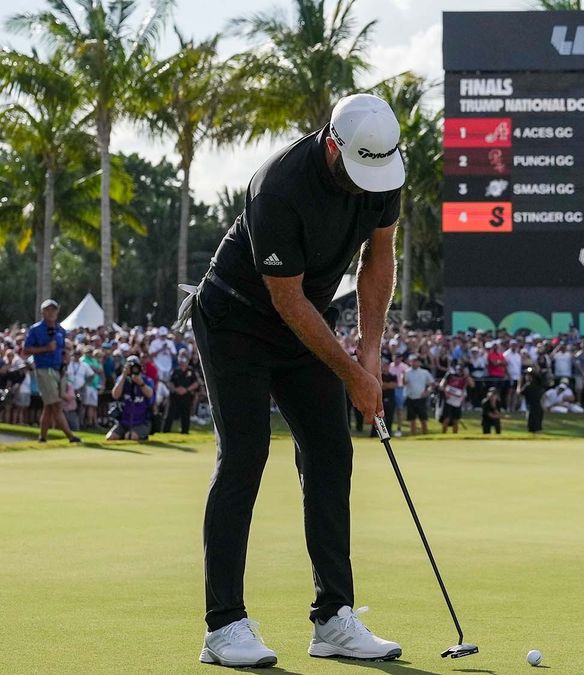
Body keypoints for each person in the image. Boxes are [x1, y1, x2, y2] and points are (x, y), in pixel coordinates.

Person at [185, 94, 406, 667]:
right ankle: (223, 627)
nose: (367, 186)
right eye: (357, 172)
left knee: (331, 454)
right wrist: (351, 373)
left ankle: (333, 619)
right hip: (236, 318)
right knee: (244, 456)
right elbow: (285, 300)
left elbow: (378, 259)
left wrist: (371, 353)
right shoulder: (279, 185)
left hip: (307, 315)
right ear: (332, 145)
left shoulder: (383, 169)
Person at [22, 299, 82, 444]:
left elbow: (60, 348)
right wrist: (45, 349)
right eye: (48, 310)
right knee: (55, 404)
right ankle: (70, 436)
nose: (51, 313)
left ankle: (42, 437)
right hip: (44, 369)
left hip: (59, 369)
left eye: (53, 310)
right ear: (42, 312)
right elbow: (26, 350)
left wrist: (65, 356)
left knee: (49, 405)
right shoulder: (35, 329)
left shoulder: (60, 330)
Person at [107, 355, 155, 441]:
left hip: (141, 421)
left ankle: (142, 435)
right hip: (124, 421)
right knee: (110, 437)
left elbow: (150, 394)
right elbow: (115, 395)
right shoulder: (122, 380)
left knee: (130, 436)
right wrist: (123, 376)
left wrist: (140, 383)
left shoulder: (146, 380)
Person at [164, 354, 200, 434]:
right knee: (170, 414)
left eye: (185, 361)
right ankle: (166, 431)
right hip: (175, 396)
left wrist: (186, 389)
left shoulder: (191, 371)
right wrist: (176, 389)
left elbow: (196, 383)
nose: (183, 363)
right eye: (182, 361)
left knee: (186, 415)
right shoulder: (175, 371)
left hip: (186, 396)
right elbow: (170, 382)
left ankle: (185, 431)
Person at [403, 354, 435, 436]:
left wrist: (427, 392)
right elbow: (404, 383)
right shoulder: (407, 372)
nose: (415, 363)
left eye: (416, 361)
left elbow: (432, 384)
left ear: (419, 363)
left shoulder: (424, 372)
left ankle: (425, 436)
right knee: (412, 419)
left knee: (423, 419)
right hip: (410, 397)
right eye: (413, 361)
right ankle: (413, 436)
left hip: (421, 398)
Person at [438, 363, 473, 434]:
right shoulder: (449, 375)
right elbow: (441, 385)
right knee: (446, 420)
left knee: (456, 421)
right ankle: (443, 435)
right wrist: (446, 393)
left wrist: (467, 376)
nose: (460, 371)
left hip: (458, 402)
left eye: (461, 370)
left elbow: (472, 385)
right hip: (448, 401)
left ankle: (455, 436)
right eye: (459, 369)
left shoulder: (465, 377)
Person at [518, 366, 546, 432]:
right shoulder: (539, 385)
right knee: (538, 429)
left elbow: (519, 393)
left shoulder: (528, 386)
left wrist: (519, 383)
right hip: (539, 408)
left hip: (532, 410)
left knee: (532, 429)